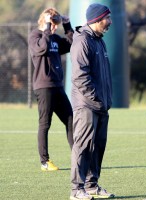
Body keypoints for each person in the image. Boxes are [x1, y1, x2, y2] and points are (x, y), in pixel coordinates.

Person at [69, 3, 115, 200]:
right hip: (87, 104)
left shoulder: (99, 41)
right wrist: (96, 98)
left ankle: (91, 185)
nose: (110, 22)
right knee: (84, 145)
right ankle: (76, 189)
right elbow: (80, 77)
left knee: (99, 145)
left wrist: (106, 99)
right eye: (107, 18)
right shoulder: (82, 41)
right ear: (97, 19)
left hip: (102, 105)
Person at [28, 8, 74, 171]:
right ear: (44, 21)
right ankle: (44, 162)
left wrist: (67, 25)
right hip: (43, 87)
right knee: (45, 124)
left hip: (57, 86)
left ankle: (78, 157)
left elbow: (71, 44)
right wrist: (47, 28)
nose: (54, 28)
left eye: (55, 25)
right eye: (52, 25)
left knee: (71, 121)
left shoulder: (54, 37)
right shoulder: (35, 36)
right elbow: (41, 48)